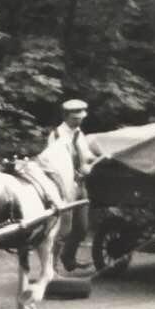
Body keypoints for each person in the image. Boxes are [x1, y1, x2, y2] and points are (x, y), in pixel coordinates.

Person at [48, 98, 97, 271]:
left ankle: (68, 258)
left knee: (82, 227)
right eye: (75, 119)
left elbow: (85, 155)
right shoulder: (56, 135)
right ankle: (51, 267)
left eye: (81, 118)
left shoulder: (79, 134)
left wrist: (92, 160)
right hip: (64, 187)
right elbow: (52, 164)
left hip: (80, 185)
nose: (79, 121)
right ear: (66, 116)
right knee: (63, 230)